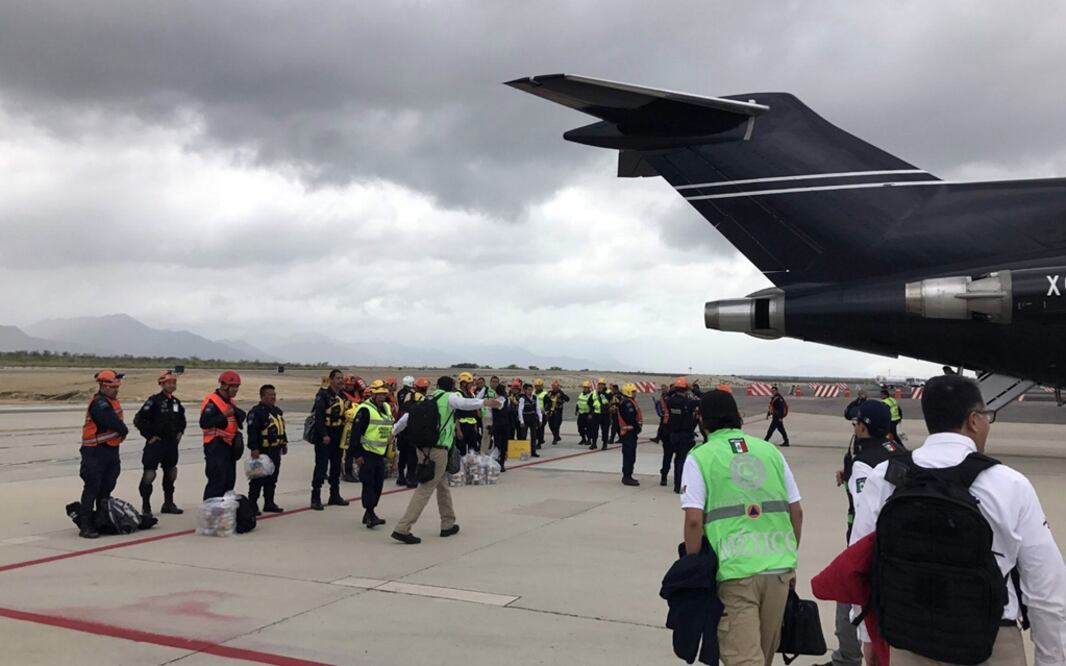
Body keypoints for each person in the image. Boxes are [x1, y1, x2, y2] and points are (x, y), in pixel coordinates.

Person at [851, 374, 1066, 666]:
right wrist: (1052, 659)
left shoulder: (884, 477)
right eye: (987, 416)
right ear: (974, 420)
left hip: (908, 638)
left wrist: (868, 637)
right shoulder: (1010, 484)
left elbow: (861, 565)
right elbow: (1046, 588)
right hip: (988, 642)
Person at [681, 390, 803, 666]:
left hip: (735, 572)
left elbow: (693, 520)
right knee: (763, 657)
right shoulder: (770, 451)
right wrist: (789, 559)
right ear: (738, 416)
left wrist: (693, 569)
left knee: (744, 659)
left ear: (702, 421)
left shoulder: (700, 457)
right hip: (778, 570)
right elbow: (796, 512)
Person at [816, 400, 903, 666]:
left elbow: (867, 508)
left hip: (868, 549)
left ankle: (847, 658)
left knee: (849, 601)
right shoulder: (900, 451)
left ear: (863, 427)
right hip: (899, 548)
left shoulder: (864, 462)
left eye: (856, 424)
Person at [390, 376, 501, 544]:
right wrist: (485, 402)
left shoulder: (427, 398)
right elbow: (465, 403)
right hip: (438, 450)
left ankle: (448, 523)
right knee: (425, 488)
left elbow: (407, 418)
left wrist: (393, 432)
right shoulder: (449, 397)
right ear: (452, 386)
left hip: (423, 449)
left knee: (442, 486)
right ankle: (402, 528)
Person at [77, 370, 129, 539]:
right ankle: (86, 524)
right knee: (92, 487)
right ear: (104, 386)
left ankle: (101, 519)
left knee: (107, 486)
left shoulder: (111, 401)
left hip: (110, 449)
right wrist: (123, 430)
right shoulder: (99, 403)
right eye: (113, 387)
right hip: (95, 450)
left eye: (117, 387)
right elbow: (110, 421)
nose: (116, 390)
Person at [134, 370, 186, 516]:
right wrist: (149, 436)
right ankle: (146, 507)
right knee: (149, 474)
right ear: (162, 384)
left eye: (174, 382)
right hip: (156, 444)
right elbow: (139, 419)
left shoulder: (176, 402)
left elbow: (182, 420)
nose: (172, 385)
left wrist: (180, 432)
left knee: (171, 473)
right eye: (169, 383)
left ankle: (168, 503)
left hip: (171, 445)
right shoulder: (154, 401)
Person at [348, 380, 394, 528]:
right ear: (373, 395)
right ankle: (370, 514)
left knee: (378, 484)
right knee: (369, 484)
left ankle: (369, 513)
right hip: (367, 452)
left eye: (384, 394)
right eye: (379, 394)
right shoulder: (365, 410)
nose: (382, 397)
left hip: (380, 453)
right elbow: (355, 433)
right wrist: (357, 455)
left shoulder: (386, 408)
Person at [200, 371, 246, 500]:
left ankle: (224, 509)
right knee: (217, 481)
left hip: (229, 446)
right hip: (215, 445)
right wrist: (224, 415)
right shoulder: (212, 401)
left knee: (229, 481)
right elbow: (204, 423)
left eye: (237, 386)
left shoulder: (231, 402)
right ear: (224, 385)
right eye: (234, 386)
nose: (236, 389)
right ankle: (211, 508)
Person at [310, 369, 350, 510]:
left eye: (342, 378)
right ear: (331, 380)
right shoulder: (323, 395)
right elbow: (319, 417)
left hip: (338, 435)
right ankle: (315, 497)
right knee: (321, 467)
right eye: (338, 378)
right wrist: (324, 435)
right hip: (325, 436)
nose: (341, 380)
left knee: (336, 466)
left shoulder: (343, 396)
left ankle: (334, 495)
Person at [246, 384, 287, 514]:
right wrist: (254, 448)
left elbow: (281, 428)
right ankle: (252, 504)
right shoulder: (256, 412)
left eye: (274, 394)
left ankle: (269, 502)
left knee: (272, 478)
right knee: (258, 478)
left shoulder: (277, 411)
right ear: (262, 396)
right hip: (262, 451)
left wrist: (284, 444)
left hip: (275, 450)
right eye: (270, 395)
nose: (273, 397)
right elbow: (252, 432)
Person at [664, 376, 700, 493]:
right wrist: (693, 389)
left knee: (677, 459)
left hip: (674, 435)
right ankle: (680, 484)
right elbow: (704, 399)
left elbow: (666, 395)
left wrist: (674, 389)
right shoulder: (689, 403)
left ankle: (676, 485)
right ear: (686, 389)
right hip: (685, 435)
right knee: (682, 460)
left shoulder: (670, 401)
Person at [395, 377, 427, 488]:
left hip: (403, 429)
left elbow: (402, 410)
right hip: (413, 430)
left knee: (403, 453)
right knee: (412, 454)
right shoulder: (423, 399)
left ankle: (401, 477)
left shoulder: (407, 396)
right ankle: (410, 477)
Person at [340, 375, 365, 483]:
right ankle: (347, 472)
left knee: (352, 450)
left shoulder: (357, 393)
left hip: (355, 425)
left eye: (352, 385)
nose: (350, 387)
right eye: (348, 385)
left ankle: (351, 471)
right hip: (345, 425)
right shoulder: (341, 395)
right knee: (347, 451)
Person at [617, 383, 643, 486]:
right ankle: (627, 477)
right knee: (629, 456)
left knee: (631, 456)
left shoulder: (629, 401)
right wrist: (637, 427)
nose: (635, 393)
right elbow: (630, 418)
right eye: (633, 391)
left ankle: (628, 475)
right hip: (628, 433)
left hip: (631, 433)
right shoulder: (627, 403)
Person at [455, 371, 479, 454]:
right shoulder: (458, 395)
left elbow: (474, 413)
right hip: (462, 426)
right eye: (470, 383)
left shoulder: (471, 395)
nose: (471, 385)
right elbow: (456, 414)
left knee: (473, 450)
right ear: (463, 383)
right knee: (462, 450)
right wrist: (458, 430)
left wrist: (475, 426)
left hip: (471, 426)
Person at [517, 383, 542, 458]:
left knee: (534, 436)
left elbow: (538, 409)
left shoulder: (535, 397)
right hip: (525, 418)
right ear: (525, 390)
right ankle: (523, 453)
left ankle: (533, 452)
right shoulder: (522, 399)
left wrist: (540, 419)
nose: (530, 391)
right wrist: (521, 421)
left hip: (533, 418)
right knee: (523, 436)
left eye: (531, 390)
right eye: (528, 390)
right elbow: (520, 410)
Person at [575, 381, 600, 448]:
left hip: (588, 414)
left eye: (587, 388)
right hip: (581, 413)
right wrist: (576, 410)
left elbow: (593, 405)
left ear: (589, 388)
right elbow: (578, 402)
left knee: (589, 428)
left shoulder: (591, 395)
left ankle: (589, 440)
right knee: (580, 427)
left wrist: (591, 413)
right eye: (584, 387)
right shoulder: (581, 394)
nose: (585, 389)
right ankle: (583, 438)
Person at [545, 380, 570, 445]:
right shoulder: (550, 393)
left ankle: (555, 439)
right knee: (551, 425)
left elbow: (567, 399)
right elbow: (546, 401)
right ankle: (556, 436)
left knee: (556, 425)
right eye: (554, 386)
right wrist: (546, 410)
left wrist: (561, 396)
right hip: (550, 411)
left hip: (558, 412)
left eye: (556, 387)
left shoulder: (561, 393)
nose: (555, 388)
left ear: (558, 387)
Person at [533, 378, 549, 449]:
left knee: (540, 428)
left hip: (542, 414)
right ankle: (539, 440)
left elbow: (548, 403)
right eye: (536, 386)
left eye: (539, 386)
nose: (538, 387)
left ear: (542, 386)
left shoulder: (545, 394)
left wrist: (545, 409)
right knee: (535, 429)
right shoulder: (533, 393)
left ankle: (539, 442)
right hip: (534, 413)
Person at [596, 378, 611, 447]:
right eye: (599, 384)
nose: (600, 386)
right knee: (594, 429)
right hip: (597, 413)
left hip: (606, 414)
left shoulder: (608, 392)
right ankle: (594, 443)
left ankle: (605, 443)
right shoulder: (595, 392)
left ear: (604, 385)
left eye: (602, 384)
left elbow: (609, 400)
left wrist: (601, 393)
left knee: (605, 430)